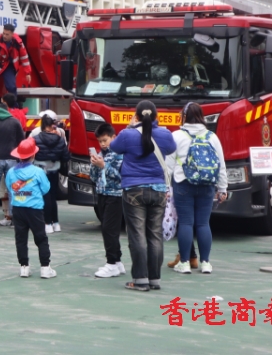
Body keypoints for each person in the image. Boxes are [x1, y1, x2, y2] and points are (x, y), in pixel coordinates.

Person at [109, 100, 177, 292]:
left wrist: (130, 126)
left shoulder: (127, 135)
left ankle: (140, 279)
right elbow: (171, 149)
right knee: (155, 235)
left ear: (136, 116)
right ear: (156, 117)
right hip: (158, 190)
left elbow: (113, 147)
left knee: (137, 234)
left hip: (133, 190)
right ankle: (154, 279)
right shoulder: (165, 134)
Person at [167, 103, 228, 274]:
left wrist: (165, 187)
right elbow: (221, 165)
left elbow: (168, 165)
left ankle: (185, 263)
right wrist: (222, 188)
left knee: (186, 223)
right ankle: (206, 263)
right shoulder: (212, 137)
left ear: (184, 117)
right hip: (207, 185)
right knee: (203, 224)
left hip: (183, 183)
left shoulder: (177, 136)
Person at [6, 137, 55, 279]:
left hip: (18, 209)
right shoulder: (38, 172)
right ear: (33, 155)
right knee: (41, 238)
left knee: (21, 239)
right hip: (35, 210)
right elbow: (46, 189)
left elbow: (10, 188)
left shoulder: (11, 172)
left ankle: (24, 267)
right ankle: (45, 268)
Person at [89, 124, 126, 278]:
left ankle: (111, 262)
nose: (102, 144)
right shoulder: (100, 153)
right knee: (108, 228)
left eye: (105, 140)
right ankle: (117, 262)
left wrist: (104, 166)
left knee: (109, 229)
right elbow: (93, 177)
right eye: (100, 141)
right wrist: (95, 165)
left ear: (113, 137)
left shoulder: (120, 154)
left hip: (116, 195)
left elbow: (120, 176)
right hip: (102, 193)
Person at [0, 93, 25, 226]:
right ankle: (13, 217)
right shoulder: (14, 121)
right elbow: (21, 140)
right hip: (12, 159)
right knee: (12, 189)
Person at [33, 114, 70, 234]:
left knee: (45, 197)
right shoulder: (59, 139)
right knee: (52, 197)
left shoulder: (36, 139)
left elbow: (32, 155)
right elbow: (65, 156)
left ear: (42, 125)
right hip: (55, 170)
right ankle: (56, 223)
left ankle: (47, 223)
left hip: (40, 171)